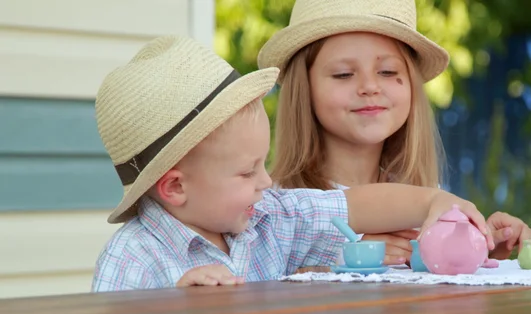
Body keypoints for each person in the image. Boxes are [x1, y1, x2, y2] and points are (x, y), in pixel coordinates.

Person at [91, 35, 494, 292]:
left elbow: (354, 206)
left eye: (261, 164)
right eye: (248, 172)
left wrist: (431, 203)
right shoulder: (134, 258)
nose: (266, 181)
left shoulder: (269, 219)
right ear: (175, 187)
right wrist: (170, 311)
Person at [257, 0, 531, 266]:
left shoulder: (427, 199)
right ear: (303, 89)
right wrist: (347, 256)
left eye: (388, 71)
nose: (370, 86)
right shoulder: (275, 206)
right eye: (343, 74)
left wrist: (476, 244)